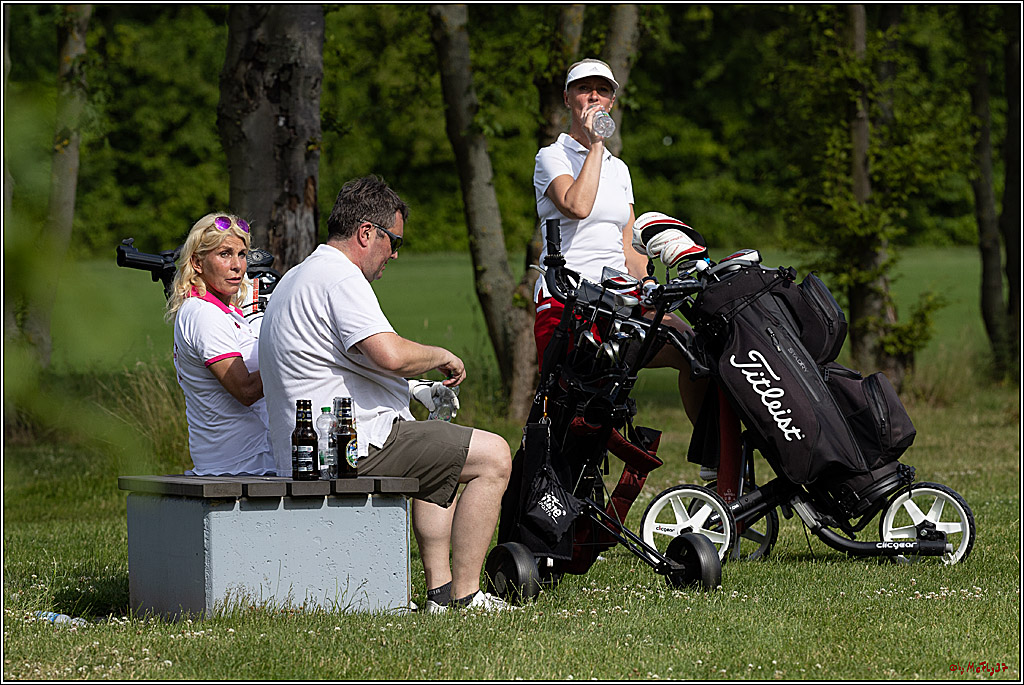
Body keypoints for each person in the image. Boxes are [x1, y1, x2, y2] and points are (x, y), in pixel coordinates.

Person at [259, 175, 513, 613]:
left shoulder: (296, 277)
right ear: (365, 233)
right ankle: (467, 596)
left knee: (444, 450)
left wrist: (416, 391)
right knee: (493, 456)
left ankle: (438, 594)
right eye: (392, 241)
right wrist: (441, 356)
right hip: (346, 445)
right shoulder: (341, 278)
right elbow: (389, 355)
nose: (394, 254)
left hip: (306, 446)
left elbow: (352, 364)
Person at [532, 58, 706, 425]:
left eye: (603, 90)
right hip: (569, 300)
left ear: (612, 101)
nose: (594, 97)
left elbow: (627, 246)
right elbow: (577, 205)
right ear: (568, 99)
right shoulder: (552, 157)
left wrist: (648, 286)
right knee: (574, 414)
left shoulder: (619, 168)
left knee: (694, 347)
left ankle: (711, 460)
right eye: (584, 89)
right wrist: (595, 144)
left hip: (618, 297)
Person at [165, 213, 274, 476]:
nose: (237, 265)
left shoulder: (223, 311)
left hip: (252, 456)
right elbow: (246, 390)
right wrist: (293, 354)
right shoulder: (203, 314)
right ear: (197, 262)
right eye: (225, 254)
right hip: (240, 465)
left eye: (242, 254)